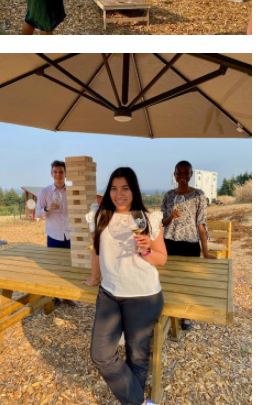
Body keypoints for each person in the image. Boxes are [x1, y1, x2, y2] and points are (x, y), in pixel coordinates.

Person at [83, 167, 166, 405]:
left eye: (125, 188)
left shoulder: (146, 218)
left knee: (137, 357)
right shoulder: (101, 216)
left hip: (143, 295)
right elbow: (97, 251)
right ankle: (140, 402)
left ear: (134, 190)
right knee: (100, 354)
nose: (119, 194)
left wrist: (146, 249)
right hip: (110, 293)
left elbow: (161, 258)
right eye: (114, 188)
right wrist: (94, 277)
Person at [161, 161, 216, 329]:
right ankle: (172, 310)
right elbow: (162, 223)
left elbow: (201, 224)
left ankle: (186, 315)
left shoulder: (199, 195)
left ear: (191, 175)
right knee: (170, 278)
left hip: (190, 244)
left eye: (186, 173)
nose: (182, 176)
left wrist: (205, 252)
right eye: (179, 173)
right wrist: (171, 216)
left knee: (189, 279)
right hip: (169, 243)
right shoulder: (168, 196)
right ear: (174, 174)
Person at [35, 161, 76, 305]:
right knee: (54, 266)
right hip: (54, 234)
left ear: (66, 173)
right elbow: (38, 213)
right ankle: (54, 297)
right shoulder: (44, 192)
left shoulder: (72, 191)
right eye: (55, 171)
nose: (58, 175)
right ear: (51, 173)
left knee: (68, 266)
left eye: (61, 172)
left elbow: (79, 210)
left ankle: (67, 296)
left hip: (70, 233)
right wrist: (47, 208)